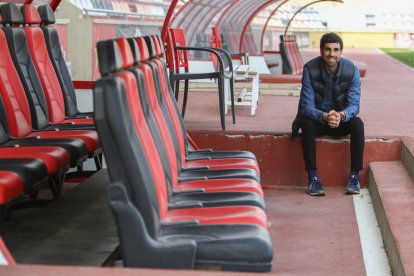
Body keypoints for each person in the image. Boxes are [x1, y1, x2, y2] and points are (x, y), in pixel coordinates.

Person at [292, 32, 364, 196]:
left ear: (341, 52)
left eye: (335, 50)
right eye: (328, 49)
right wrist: (324, 116)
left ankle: (354, 176)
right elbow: (306, 106)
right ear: (321, 50)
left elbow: (354, 105)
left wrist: (341, 115)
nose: (331, 54)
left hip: (339, 120)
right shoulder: (310, 69)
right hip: (318, 120)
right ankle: (313, 178)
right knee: (306, 123)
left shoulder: (351, 70)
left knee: (358, 124)